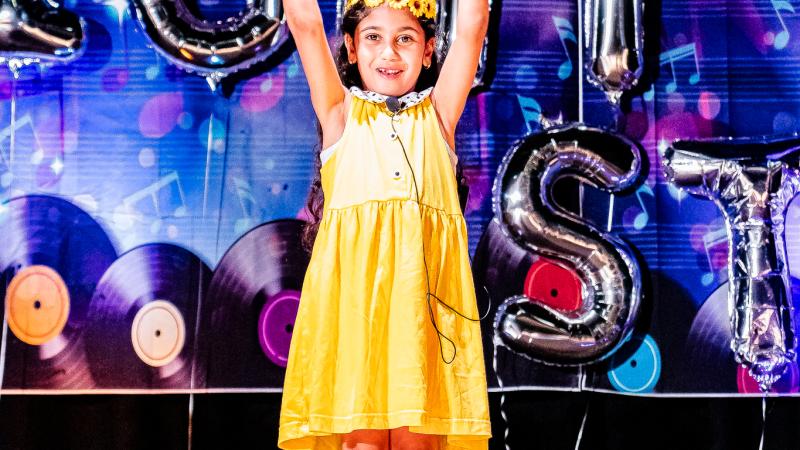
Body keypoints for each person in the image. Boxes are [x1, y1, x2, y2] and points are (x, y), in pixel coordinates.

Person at [278, 0, 491, 446]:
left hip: (422, 315)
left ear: (429, 51)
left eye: (405, 39)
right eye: (373, 37)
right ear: (352, 50)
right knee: (362, 440)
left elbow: (472, 24)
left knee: (419, 438)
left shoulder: (438, 116)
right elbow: (304, 22)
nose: (389, 52)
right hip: (357, 312)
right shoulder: (340, 114)